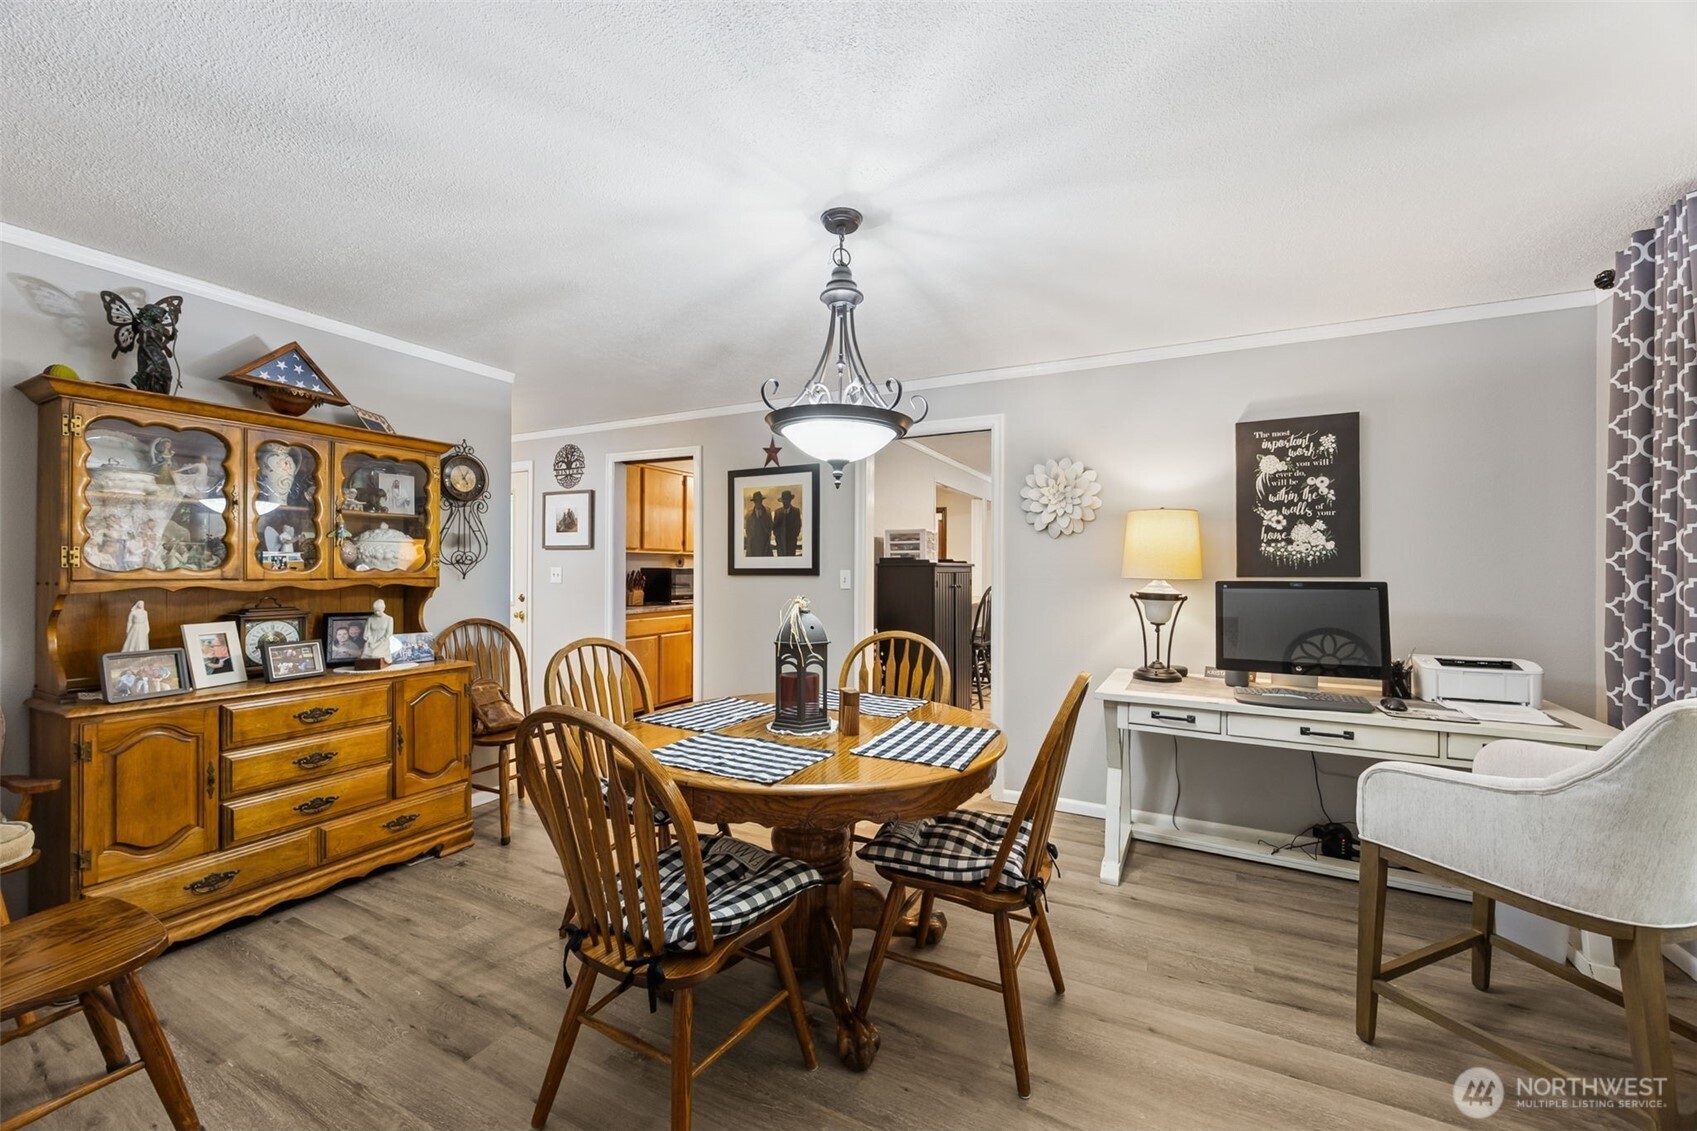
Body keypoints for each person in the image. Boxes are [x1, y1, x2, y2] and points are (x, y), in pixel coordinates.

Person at [773, 489, 802, 556]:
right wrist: (778, 538)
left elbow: (798, 526)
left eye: (787, 500)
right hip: (780, 544)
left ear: (790, 500)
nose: (785, 502)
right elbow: (774, 527)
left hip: (791, 543)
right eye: (784, 501)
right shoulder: (778, 512)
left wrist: (794, 536)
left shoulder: (796, 511)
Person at [745, 490, 774, 557]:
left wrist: (767, 536)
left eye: (760, 500)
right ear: (754, 502)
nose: (758, 502)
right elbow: (748, 530)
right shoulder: (749, 514)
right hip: (753, 546)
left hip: (765, 545)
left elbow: (770, 526)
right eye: (756, 501)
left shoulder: (768, 512)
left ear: (762, 500)